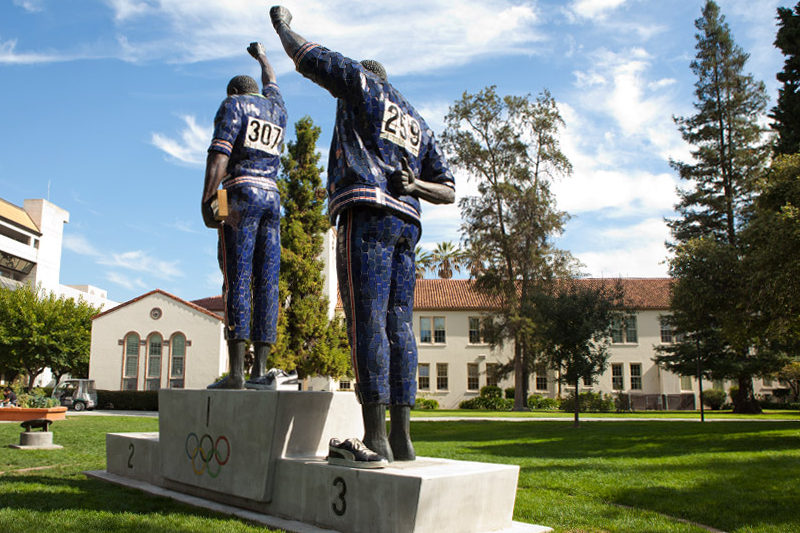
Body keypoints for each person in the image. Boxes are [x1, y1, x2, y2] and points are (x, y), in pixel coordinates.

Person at [269, 6, 456, 462]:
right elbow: (448, 190)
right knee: (400, 324)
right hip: (408, 223)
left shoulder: (361, 85)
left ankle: (374, 436)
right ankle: (403, 438)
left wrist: (281, 25)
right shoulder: (416, 122)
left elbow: (307, 56)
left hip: (367, 210)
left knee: (366, 317)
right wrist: (414, 186)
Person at [201, 42, 287, 389]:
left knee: (236, 274)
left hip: (238, 193)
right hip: (272, 197)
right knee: (267, 278)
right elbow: (273, 81)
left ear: (234, 91)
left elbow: (219, 155)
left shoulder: (233, 105)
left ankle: (236, 372)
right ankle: (261, 369)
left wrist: (209, 199)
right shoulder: (277, 110)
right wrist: (263, 56)